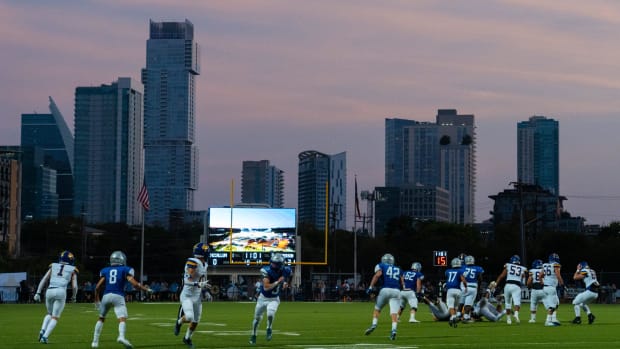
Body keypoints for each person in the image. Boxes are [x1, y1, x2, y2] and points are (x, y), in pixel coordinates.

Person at [91, 251, 152, 349]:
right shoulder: (125, 269)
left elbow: (97, 287)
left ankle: (95, 342)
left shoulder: (105, 270)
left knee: (101, 318)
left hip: (106, 296)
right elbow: (135, 284)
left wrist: (96, 299)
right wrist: (146, 289)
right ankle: (121, 337)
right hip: (118, 296)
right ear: (122, 259)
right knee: (122, 318)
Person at [34, 250, 79, 344]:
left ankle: (42, 330)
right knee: (55, 317)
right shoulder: (72, 269)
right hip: (61, 291)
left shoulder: (53, 266)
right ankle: (45, 337)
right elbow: (74, 286)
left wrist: (38, 292)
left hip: (49, 290)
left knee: (49, 313)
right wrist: (74, 297)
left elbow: (44, 279)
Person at [249, 253, 292, 345]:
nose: (273, 265)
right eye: (272, 263)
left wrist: (286, 283)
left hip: (274, 299)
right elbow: (266, 287)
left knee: (270, 314)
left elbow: (288, 276)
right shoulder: (266, 270)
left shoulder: (286, 270)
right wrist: (278, 282)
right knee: (257, 319)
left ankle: (269, 328)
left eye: (275, 263)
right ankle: (254, 335)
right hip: (262, 298)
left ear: (281, 264)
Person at [174, 242, 211, 349]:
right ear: (203, 252)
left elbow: (202, 279)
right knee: (189, 316)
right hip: (187, 295)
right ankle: (179, 322)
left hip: (197, 296)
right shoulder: (192, 262)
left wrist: (205, 291)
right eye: (207, 250)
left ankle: (187, 338)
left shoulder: (205, 264)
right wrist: (197, 284)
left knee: (196, 321)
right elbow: (186, 280)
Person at [364, 253, 402, 340]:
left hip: (385, 289)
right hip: (396, 291)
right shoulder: (398, 268)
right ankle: (394, 330)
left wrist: (370, 287)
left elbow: (377, 275)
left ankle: (374, 324)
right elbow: (402, 281)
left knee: (377, 309)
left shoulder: (380, 265)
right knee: (394, 313)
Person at [493, 254, 528, 324]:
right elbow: (524, 276)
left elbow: (501, 276)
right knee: (517, 302)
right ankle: (516, 315)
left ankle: (508, 319)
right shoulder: (523, 268)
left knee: (508, 303)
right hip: (516, 286)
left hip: (508, 285)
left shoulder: (508, 265)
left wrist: (496, 284)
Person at [539, 252, 564, 326]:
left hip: (546, 287)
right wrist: (562, 284)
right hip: (551, 288)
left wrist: (542, 283)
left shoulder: (545, 265)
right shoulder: (556, 265)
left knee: (556, 303)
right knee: (552, 305)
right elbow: (558, 275)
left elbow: (540, 276)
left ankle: (553, 318)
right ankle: (548, 321)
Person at [460, 255, 484, 323]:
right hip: (473, 286)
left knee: (462, 303)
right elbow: (480, 279)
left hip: (463, 287)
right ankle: (466, 317)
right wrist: (479, 287)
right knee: (469, 303)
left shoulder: (462, 267)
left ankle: (459, 315)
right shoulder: (478, 268)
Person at [445, 257, 466, 327]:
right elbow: (463, 280)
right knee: (456, 306)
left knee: (450, 306)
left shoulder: (447, 271)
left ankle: (453, 317)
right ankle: (452, 318)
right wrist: (466, 287)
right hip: (458, 290)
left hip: (450, 290)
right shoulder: (460, 271)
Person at [526, 259, 545, 323]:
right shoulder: (544, 270)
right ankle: (551, 317)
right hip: (543, 289)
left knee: (533, 304)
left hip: (535, 289)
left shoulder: (532, 271)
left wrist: (528, 286)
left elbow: (529, 281)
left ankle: (533, 319)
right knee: (548, 303)